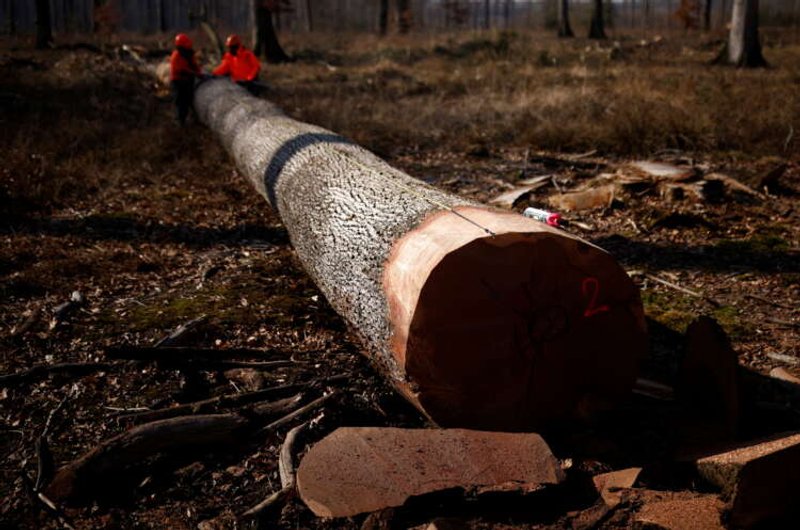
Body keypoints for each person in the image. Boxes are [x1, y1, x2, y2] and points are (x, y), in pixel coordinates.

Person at [169, 33, 202, 126]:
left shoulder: (189, 54)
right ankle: (179, 121)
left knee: (189, 99)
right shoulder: (175, 57)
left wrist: (199, 72)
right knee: (179, 101)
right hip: (178, 81)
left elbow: (194, 65)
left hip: (188, 80)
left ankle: (191, 117)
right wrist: (195, 74)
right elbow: (182, 70)